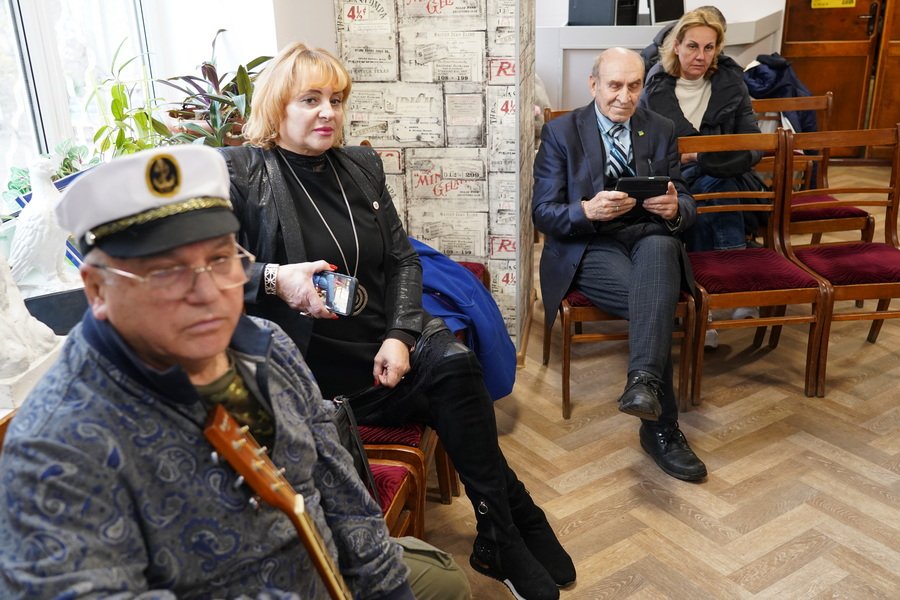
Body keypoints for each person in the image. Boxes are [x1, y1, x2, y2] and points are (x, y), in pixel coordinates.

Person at [0, 145, 471, 600]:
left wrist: (388, 587)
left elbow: (341, 493)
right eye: (166, 273)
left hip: (326, 570)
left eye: (221, 259)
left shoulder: (266, 346)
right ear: (97, 290)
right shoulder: (56, 446)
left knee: (446, 581)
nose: (207, 293)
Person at [220, 43, 574, 600]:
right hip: (321, 378)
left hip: (387, 350)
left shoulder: (359, 167)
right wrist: (274, 278)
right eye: (310, 100)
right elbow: (208, 271)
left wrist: (400, 335)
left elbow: (404, 260)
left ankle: (501, 534)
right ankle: (517, 517)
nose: (328, 112)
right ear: (276, 106)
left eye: (336, 99)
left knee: (455, 365)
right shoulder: (240, 173)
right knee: (459, 393)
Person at [533, 47, 707, 483]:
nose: (625, 97)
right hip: (590, 245)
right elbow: (543, 213)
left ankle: (643, 384)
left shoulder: (660, 127)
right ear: (593, 84)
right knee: (654, 302)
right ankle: (662, 429)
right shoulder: (560, 133)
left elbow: (686, 199)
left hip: (650, 237)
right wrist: (586, 211)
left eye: (634, 86)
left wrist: (676, 208)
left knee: (661, 248)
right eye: (614, 86)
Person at [640, 8, 764, 343]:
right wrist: (698, 156)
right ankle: (735, 286)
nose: (700, 56)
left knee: (714, 185)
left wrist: (716, 156)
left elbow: (754, 143)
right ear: (677, 45)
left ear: (718, 49)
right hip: (672, 180)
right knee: (700, 193)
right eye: (693, 46)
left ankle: (701, 307)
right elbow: (644, 147)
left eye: (709, 48)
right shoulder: (655, 85)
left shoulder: (730, 82)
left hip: (728, 175)